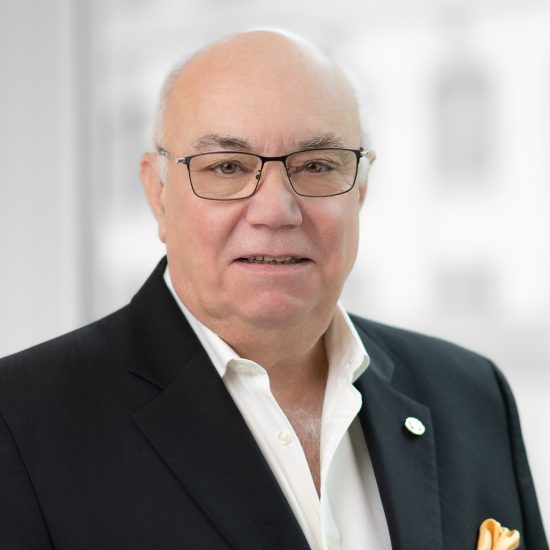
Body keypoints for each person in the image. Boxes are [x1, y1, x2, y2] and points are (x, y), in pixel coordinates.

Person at [0, 29, 547, 550]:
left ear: (360, 188)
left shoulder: (472, 397)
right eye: (227, 167)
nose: (276, 211)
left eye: (317, 165)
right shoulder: (22, 422)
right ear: (157, 192)